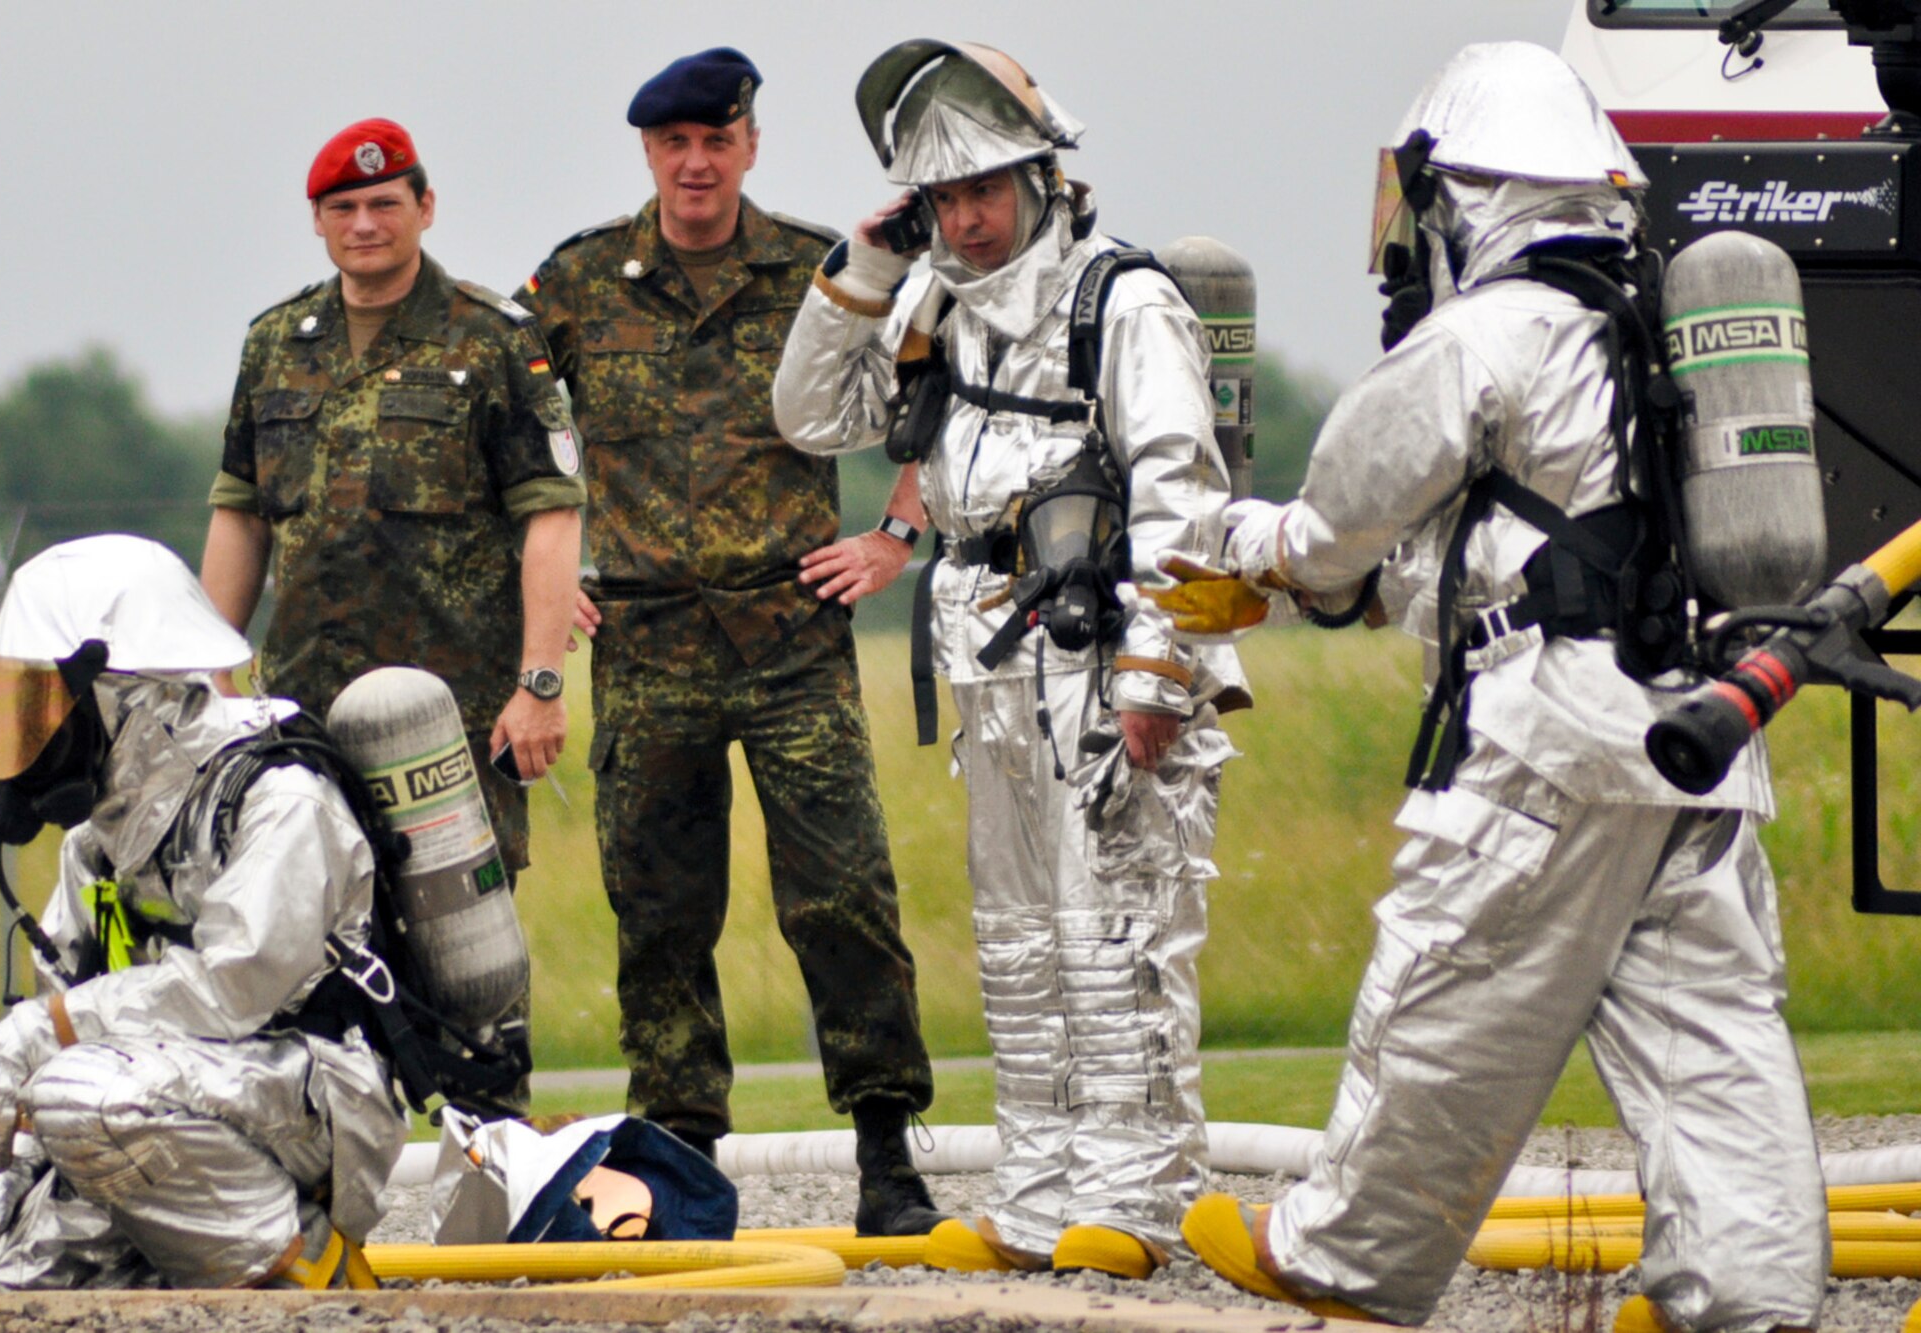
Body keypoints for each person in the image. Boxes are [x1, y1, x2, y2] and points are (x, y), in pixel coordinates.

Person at [1158, 43, 1827, 1332]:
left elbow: (1331, 535)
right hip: (1694, 727)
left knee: (1447, 987)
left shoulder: (1482, 337)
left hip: (1549, 736)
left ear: (1467, 196)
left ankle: (1343, 1259)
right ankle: (1749, 1297)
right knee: (1712, 1037)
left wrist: (1237, 544)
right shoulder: (1642, 327)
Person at [773, 40, 1249, 1279]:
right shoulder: (932, 303)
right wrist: (868, 265)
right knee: (1022, 944)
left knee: (1117, 936)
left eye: (987, 190)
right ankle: (1040, 1201)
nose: (968, 219)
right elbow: (810, 416)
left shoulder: (1121, 301)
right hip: (987, 657)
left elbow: (1179, 492)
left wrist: (1158, 669)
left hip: (1102, 654)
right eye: (943, 199)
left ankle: (1135, 1203)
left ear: (1044, 177)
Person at [513, 48, 943, 1236]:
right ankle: (680, 1162)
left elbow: (940, 390)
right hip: (646, 638)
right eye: (672, 144)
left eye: (716, 139)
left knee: (843, 895)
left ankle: (885, 1152)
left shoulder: (825, 273)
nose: (695, 163)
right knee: (657, 909)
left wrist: (895, 533)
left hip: (791, 632)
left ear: (749, 143)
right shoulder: (576, 280)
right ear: (648, 154)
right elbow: (502, 432)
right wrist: (543, 592)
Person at [200, 118, 586, 1111]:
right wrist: (205, 675)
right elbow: (240, 514)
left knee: (467, 967)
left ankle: (497, 1185)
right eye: (344, 207)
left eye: (383, 202)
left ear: (424, 207)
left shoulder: (491, 338)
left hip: (448, 722)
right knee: (301, 953)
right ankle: (322, 1194)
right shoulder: (276, 341)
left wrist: (539, 685)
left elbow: (550, 520)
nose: (364, 223)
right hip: (301, 721)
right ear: (318, 222)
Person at [0, 535, 404, 1292]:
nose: (28, 739)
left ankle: (310, 1270)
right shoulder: (95, 843)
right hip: (161, 1093)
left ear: (126, 695)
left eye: (42, 706)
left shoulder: (278, 798)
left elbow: (232, 989)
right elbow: (74, 997)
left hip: (315, 1093)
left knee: (82, 1093)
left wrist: (42, 1029)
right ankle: (187, 1276)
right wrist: (5, 1172)